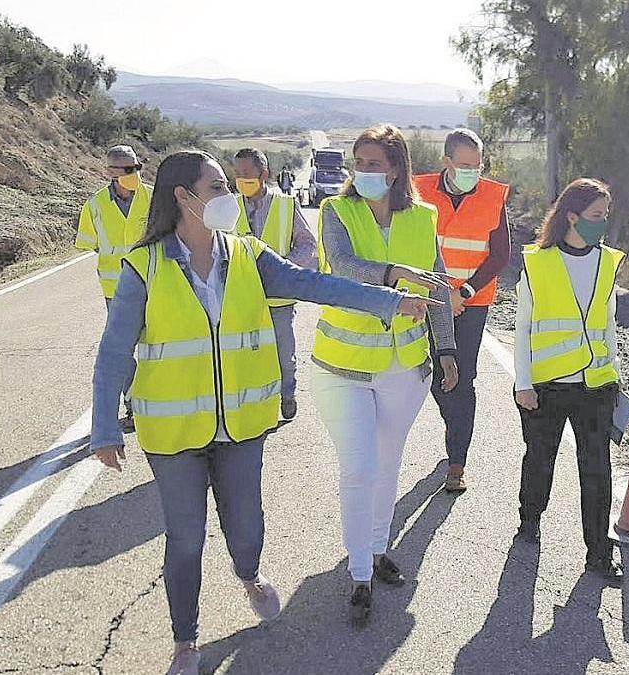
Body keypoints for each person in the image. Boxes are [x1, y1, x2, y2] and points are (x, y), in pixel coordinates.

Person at [89, 150, 437, 675]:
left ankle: (248, 574)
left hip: (242, 425)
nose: (228, 195)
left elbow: (316, 284)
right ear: (184, 197)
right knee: (185, 541)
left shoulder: (247, 255)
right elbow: (114, 351)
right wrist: (103, 425)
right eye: (217, 187)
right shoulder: (145, 266)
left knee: (247, 527)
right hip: (174, 430)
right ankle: (186, 641)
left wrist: (388, 300)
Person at [311, 124, 458, 623]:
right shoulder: (337, 211)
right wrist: (396, 274)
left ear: (397, 169)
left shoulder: (424, 217)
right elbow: (343, 269)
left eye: (375, 163)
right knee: (359, 466)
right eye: (360, 162)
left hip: (404, 367)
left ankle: (376, 550)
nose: (365, 172)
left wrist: (449, 349)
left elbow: (436, 283)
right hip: (343, 365)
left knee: (388, 461)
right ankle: (358, 574)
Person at [513, 178, 625, 582]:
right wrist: (522, 382)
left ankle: (599, 552)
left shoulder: (608, 262)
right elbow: (522, 326)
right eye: (597, 215)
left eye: (606, 215)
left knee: (597, 470)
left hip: (595, 386)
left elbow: (608, 323)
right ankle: (529, 519)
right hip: (545, 386)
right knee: (540, 460)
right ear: (572, 216)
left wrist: (613, 374)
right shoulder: (536, 262)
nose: (603, 223)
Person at [414, 128, 511, 492]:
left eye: (478, 164)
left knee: (461, 378)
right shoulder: (418, 190)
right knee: (436, 376)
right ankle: (453, 425)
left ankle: (457, 462)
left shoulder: (492, 196)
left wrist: (464, 292)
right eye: (465, 164)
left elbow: (500, 254)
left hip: (472, 302)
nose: (473, 171)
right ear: (447, 162)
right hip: (425, 298)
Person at [233, 148, 317, 423]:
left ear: (263, 174)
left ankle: (287, 394)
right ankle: (250, 402)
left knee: (282, 352)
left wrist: (284, 270)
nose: (240, 179)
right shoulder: (228, 207)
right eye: (237, 174)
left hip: (278, 297)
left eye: (246, 174)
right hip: (240, 296)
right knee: (243, 352)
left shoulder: (285, 205)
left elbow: (306, 244)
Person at [75, 144, 150, 429]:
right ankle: (133, 405)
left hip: (155, 283)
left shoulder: (154, 197)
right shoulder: (95, 205)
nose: (135, 174)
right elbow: (92, 243)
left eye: (137, 168)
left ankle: (162, 401)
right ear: (110, 173)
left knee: (158, 344)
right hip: (116, 290)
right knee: (122, 349)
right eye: (129, 170)